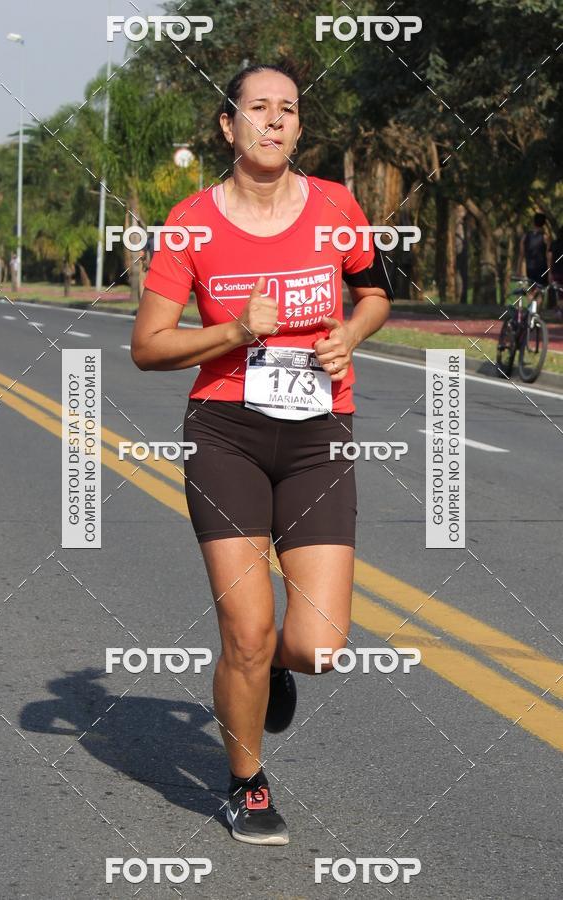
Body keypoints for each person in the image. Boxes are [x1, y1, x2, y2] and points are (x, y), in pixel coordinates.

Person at [131, 63, 393, 846]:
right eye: (257, 109)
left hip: (317, 436)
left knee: (317, 645)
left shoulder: (336, 207)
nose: (273, 122)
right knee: (244, 631)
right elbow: (148, 346)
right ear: (227, 126)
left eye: (288, 111)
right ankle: (246, 782)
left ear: (298, 127)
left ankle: (272, 668)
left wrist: (351, 333)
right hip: (226, 434)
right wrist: (236, 331)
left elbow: (375, 293)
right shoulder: (189, 223)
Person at [518, 213, 550, 307]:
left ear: (533, 222)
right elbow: (548, 256)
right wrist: (550, 271)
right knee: (540, 292)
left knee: (531, 291)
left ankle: (530, 313)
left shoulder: (526, 236)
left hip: (530, 268)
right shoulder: (546, 237)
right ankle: (536, 314)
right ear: (544, 223)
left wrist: (518, 269)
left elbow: (521, 255)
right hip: (542, 268)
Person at [548, 225, 563, 320]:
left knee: (559, 295)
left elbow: (549, 258)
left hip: (556, 273)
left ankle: (559, 311)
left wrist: (549, 272)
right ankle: (559, 312)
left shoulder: (554, 244)